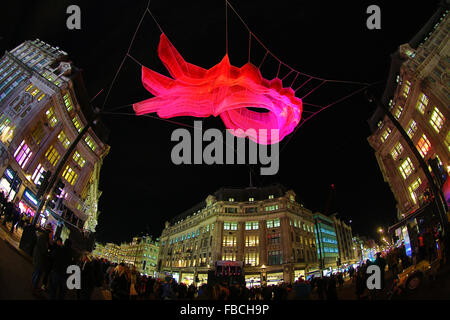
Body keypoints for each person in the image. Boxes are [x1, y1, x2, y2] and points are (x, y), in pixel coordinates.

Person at [31, 225, 53, 293]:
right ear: (49, 233)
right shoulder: (44, 239)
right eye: (51, 234)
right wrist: (48, 252)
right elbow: (44, 250)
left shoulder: (44, 238)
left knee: (36, 273)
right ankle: (34, 287)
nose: (52, 235)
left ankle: (34, 286)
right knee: (37, 273)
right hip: (39, 259)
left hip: (38, 258)